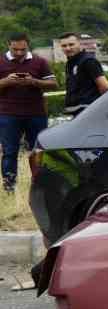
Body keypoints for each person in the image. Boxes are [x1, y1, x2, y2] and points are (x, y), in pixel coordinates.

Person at [0, 32, 57, 193]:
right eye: (15, 49)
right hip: (8, 114)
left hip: (36, 114)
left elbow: (53, 84)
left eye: (22, 49)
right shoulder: (0, 61)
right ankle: (9, 187)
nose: (19, 53)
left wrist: (34, 81)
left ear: (28, 46)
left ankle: (40, 186)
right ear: (8, 44)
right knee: (10, 152)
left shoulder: (40, 61)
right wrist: (6, 81)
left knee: (38, 151)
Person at [60, 33, 108, 117]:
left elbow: (105, 87)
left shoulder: (88, 61)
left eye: (71, 44)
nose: (68, 48)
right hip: (77, 111)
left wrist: (101, 108)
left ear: (79, 44)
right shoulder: (71, 63)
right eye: (64, 46)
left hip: (89, 111)